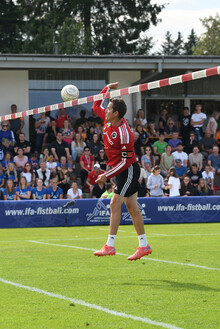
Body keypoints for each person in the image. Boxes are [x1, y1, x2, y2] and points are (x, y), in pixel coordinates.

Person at [92, 82, 152, 261]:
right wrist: (107, 89)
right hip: (120, 170)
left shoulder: (125, 133)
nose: (106, 109)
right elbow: (96, 105)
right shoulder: (106, 118)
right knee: (132, 208)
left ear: (116, 113)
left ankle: (110, 245)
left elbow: (126, 162)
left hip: (129, 170)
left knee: (114, 204)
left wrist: (106, 175)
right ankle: (144, 246)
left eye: (109, 108)